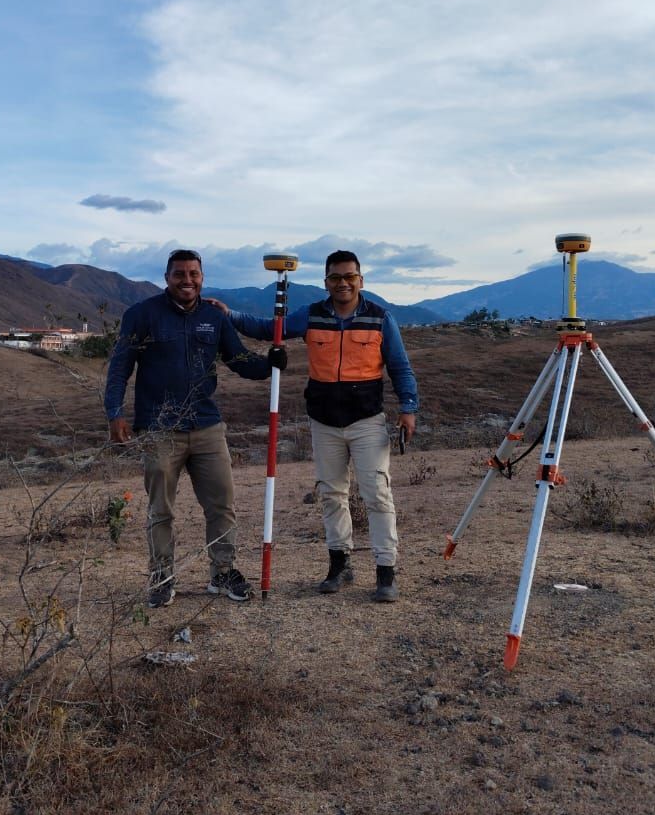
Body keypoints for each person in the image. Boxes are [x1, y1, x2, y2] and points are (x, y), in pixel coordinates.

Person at [217, 250, 419, 603]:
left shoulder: (380, 319)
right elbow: (270, 329)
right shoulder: (311, 316)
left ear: (361, 280)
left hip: (367, 420)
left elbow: (400, 367)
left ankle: (386, 571)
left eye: (349, 277)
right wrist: (229, 315)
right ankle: (339, 565)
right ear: (326, 281)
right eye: (336, 278)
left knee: (377, 494)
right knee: (331, 494)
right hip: (324, 421)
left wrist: (408, 407)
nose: (343, 283)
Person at [104, 249, 283, 608]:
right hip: (158, 429)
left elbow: (238, 359)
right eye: (179, 274)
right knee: (161, 510)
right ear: (166, 277)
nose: (187, 280)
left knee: (221, 506)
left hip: (206, 426)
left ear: (203, 276)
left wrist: (269, 364)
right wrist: (114, 413)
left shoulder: (213, 318)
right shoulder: (142, 315)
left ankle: (222, 573)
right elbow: (120, 366)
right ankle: (162, 577)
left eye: (194, 274)